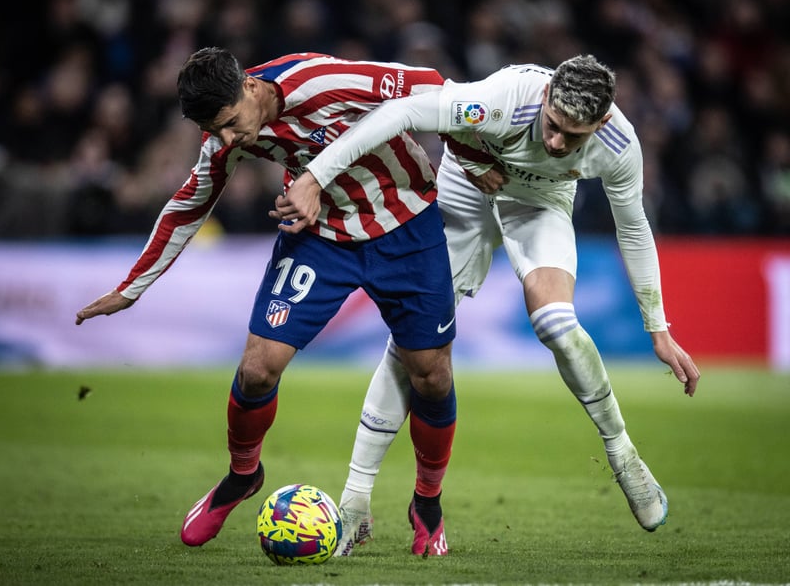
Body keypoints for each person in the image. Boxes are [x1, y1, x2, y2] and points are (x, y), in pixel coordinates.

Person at [292, 54, 701, 556]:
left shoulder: (620, 146)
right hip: (466, 188)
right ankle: (356, 499)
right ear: (546, 96)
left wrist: (658, 329)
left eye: (573, 136)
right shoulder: (503, 99)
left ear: (600, 124)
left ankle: (623, 454)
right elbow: (403, 112)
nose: (556, 143)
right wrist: (315, 176)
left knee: (557, 323)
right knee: (415, 341)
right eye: (553, 125)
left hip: (540, 202)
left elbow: (633, 228)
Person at [74, 47, 457, 557]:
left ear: (251, 88)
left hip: (407, 227)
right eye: (216, 131)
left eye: (231, 123)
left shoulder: (323, 82)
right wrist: (131, 288)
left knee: (431, 376)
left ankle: (427, 502)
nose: (229, 139)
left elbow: (433, 86)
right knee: (257, 370)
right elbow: (189, 204)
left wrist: (476, 159)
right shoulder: (225, 132)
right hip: (320, 238)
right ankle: (242, 475)